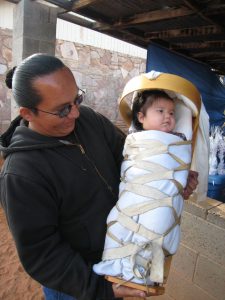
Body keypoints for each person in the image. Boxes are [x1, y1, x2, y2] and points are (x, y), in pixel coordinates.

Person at [0, 54, 198, 300]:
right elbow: (41, 254)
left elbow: (134, 161)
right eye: (62, 110)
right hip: (78, 285)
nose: (74, 113)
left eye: (77, 100)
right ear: (27, 113)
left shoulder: (89, 120)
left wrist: (168, 177)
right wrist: (100, 289)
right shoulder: (21, 174)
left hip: (118, 261)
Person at [93, 89, 196, 286]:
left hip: (160, 198)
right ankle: (113, 263)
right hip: (132, 194)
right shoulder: (134, 140)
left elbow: (181, 168)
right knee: (116, 221)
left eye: (172, 113)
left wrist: (185, 177)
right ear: (141, 117)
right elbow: (128, 166)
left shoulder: (178, 141)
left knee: (156, 227)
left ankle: (142, 272)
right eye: (160, 111)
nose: (168, 117)